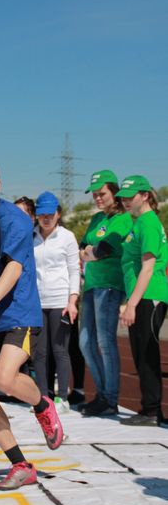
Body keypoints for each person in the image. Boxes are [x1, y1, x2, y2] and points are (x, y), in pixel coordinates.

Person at [0, 156, 64, 491]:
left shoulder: (12, 218)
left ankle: (42, 404)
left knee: (4, 377)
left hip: (17, 312)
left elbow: (14, 267)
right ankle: (20, 464)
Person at [79, 170, 133, 416]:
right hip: (91, 285)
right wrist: (90, 252)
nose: (97, 198)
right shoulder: (96, 218)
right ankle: (102, 394)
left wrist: (91, 252)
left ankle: (110, 399)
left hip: (110, 285)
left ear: (114, 191)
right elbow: (83, 247)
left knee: (105, 341)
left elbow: (102, 250)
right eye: (94, 195)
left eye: (102, 194)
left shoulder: (122, 218)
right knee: (85, 342)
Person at [117, 176, 168, 426]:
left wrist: (132, 304)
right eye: (123, 198)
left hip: (149, 295)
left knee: (146, 352)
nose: (126, 201)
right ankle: (149, 409)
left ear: (145, 195)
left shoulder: (148, 223)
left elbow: (148, 268)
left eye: (131, 196)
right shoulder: (139, 222)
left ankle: (152, 411)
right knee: (140, 351)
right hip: (142, 295)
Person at [32, 192, 80, 414]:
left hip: (60, 300)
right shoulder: (31, 236)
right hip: (37, 302)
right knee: (40, 352)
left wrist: (72, 300)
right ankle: (42, 397)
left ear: (58, 214)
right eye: (42, 214)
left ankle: (62, 399)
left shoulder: (67, 237)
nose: (46, 218)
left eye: (50, 214)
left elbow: (74, 270)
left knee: (60, 350)